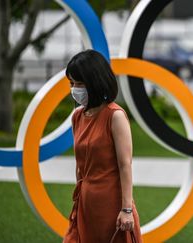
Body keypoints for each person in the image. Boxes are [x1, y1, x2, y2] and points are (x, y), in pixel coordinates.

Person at [63, 49, 142, 243]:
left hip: (112, 202)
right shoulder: (77, 116)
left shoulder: (115, 116)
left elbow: (125, 165)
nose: (75, 89)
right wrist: (78, 201)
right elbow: (79, 164)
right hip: (86, 201)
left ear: (95, 82)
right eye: (72, 84)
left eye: (80, 83)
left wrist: (126, 210)